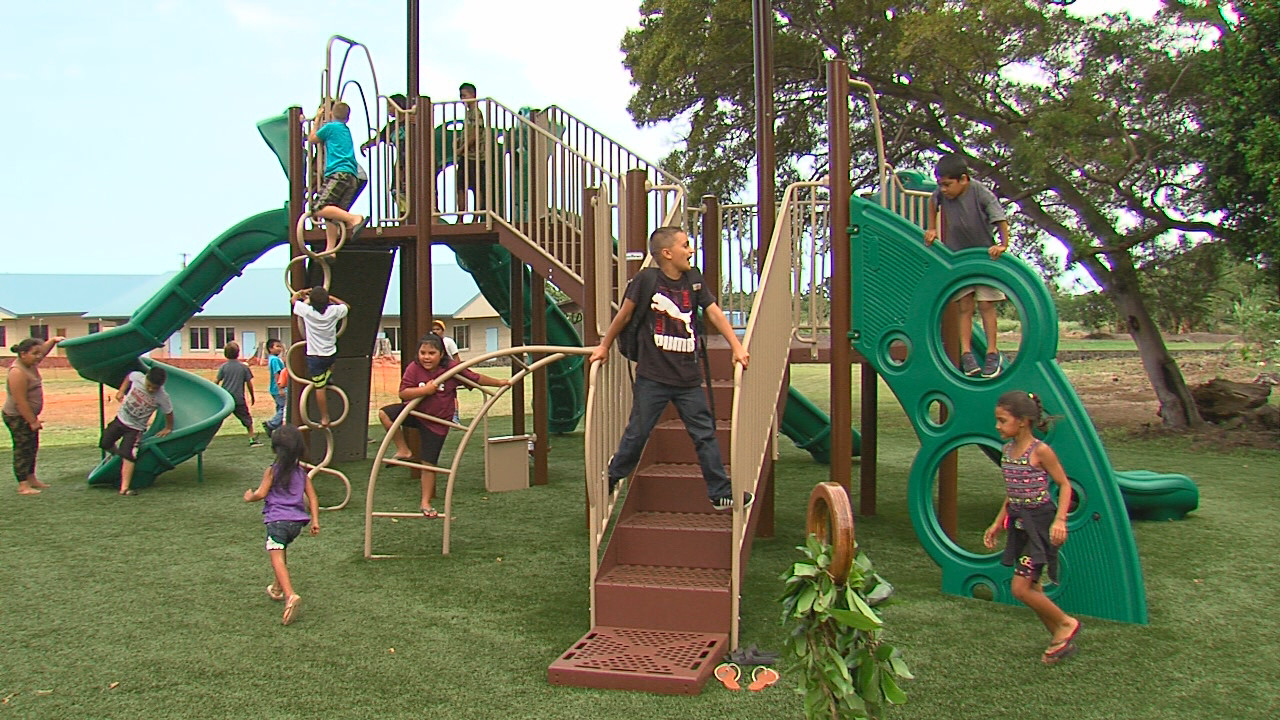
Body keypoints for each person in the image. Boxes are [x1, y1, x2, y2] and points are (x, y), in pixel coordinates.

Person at [588, 226, 753, 511]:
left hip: (688, 377)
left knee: (704, 433)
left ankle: (719, 492)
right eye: (685, 245)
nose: (691, 251)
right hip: (653, 376)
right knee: (638, 432)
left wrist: (736, 346)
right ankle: (613, 475)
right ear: (667, 253)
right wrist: (604, 346)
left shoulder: (693, 279)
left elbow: (712, 311)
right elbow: (625, 315)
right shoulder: (646, 280)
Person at [983, 390, 1082, 665]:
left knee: (1020, 588)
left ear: (1023, 421)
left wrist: (1060, 520)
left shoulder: (1040, 451)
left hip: (1039, 525)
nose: (997, 426)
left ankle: (1065, 623)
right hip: (1019, 523)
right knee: (1033, 588)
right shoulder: (1006, 451)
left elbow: (1064, 485)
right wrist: (997, 524)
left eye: (1002, 420)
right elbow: (1012, 491)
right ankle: (1059, 640)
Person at [377, 333, 509, 518]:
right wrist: (424, 390)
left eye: (432, 353)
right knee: (385, 414)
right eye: (423, 352)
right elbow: (404, 393)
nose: (426, 357)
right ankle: (403, 449)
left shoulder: (451, 369)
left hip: (436, 423)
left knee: (428, 464)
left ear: (441, 355)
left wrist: (499, 382)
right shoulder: (414, 368)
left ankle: (425, 502)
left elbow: (475, 378)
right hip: (415, 413)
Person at [923, 154, 1012, 378]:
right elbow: (932, 202)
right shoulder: (942, 194)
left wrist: (1003, 245)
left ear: (963, 179)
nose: (943, 189)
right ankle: (966, 354)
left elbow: (1000, 219)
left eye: (947, 184)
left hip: (983, 255)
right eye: (940, 184)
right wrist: (932, 228)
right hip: (959, 256)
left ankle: (992, 352)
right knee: (964, 305)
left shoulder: (980, 193)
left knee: (986, 304)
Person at [243, 424, 318, 626]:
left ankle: (290, 595)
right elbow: (312, 497)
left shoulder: (272, 471)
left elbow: (261, 493)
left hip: (277, 521)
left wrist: (250, 496)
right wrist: (316, 520)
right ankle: (276, 588)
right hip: (296, 524)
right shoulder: (301, 472)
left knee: (276, 558)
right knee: (282, 550)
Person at [3, 336, 65, 495]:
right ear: (23, 354)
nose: (39, 357)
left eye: (39, 353)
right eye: (34, 354)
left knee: (32, 447)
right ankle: (22, 484)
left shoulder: (31, 363)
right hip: (17, 416)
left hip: (28, 416)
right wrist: (32, 421)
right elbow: (20, 401)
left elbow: (42, 351)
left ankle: (31, 478)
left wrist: (53, 340)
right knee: (23, 449)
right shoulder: (17, 372)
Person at [100, 366, 174, 496]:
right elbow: (129, 377)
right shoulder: (138, 377)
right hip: (121, 419)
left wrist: (168, 428)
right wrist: (121, 391)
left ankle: (125, 488)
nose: (151, 389)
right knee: (105, 442)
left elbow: (169, 412)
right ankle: (117, 456)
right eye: (149, 386)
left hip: (135, 429)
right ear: (146, 378)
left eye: (155, 388)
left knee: (129, 455)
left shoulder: (162, 396)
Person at [307, 100, 369, 253]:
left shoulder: (330, 127)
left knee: (318, 207)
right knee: (332, 214)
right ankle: (331, 249)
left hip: (338, 173)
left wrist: (316, 119)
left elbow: (312, 139)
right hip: (351, 176)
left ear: (330, 114)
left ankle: (353, 219)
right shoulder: (345, 130)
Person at [291, 286, 349, 428]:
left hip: (315, 356)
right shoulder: (333, 311)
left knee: (319, 388)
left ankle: (325, 416)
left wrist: (301, 293)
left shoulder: (308, 311)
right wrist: (331, 297)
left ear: (311, 302)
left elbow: (293, 300)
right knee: (330, 366)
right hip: (330, 353)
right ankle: (327, 376)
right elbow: (346, 306)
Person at [361, 94, 409, 214]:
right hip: (401, 160)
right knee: (396, 189)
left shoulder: (411, 120)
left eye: (390, 106)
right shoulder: (391, 126)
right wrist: (366, 145)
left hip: (415, 159)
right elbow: (379, 138)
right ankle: (403, 214)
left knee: (411, 188)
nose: (388, 109)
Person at [216, 341, 262, 447]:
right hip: (238, 399)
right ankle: (251, 439)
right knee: (247, 420)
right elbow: (249, 383)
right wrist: (252, 396)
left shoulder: (223, 367)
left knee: (218, 419)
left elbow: (217, 381)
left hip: (226, 398)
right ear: (238, 353)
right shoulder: (244, 367)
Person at [455, 82, 488, 214]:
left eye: (464, 95)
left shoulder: (476, 113)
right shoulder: (469, 114)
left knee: (476, 186)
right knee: (461, 186)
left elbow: (475, 133)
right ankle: (462, 214)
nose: (462, 99)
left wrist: (462, 148)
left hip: (475, 156)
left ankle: (476, 215)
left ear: (473, 95)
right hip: (466, 155)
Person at [431, 319, 462, 423]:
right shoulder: (430, 343)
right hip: (436, 372)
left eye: (438, 329)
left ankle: (455, 416)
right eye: (433, 329)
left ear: (443, 330)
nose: (435, 331)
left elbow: (456, 357)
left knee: (452, 394)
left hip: (449, 371)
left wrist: (456, 371)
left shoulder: (448, 341)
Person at [261, 338, 289, 438]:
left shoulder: (272, 359)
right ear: (270, 348)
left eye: (280, 346)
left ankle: (279, 430)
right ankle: (271, 424)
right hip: (278, 388)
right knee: (284, 407)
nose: (280, 348)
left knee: (279, 408)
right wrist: (280, 387)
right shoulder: (275, 360)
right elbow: (277, 374)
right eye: (277, 346)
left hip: (275, 388)